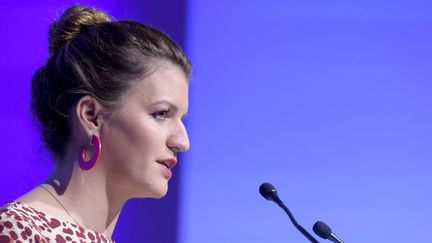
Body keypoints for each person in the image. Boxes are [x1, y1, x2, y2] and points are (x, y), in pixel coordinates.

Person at [0, 4, 191, 242]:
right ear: (91, 115)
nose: (182, 142)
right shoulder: (20, 232)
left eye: (181, 119)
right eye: (161, 114)